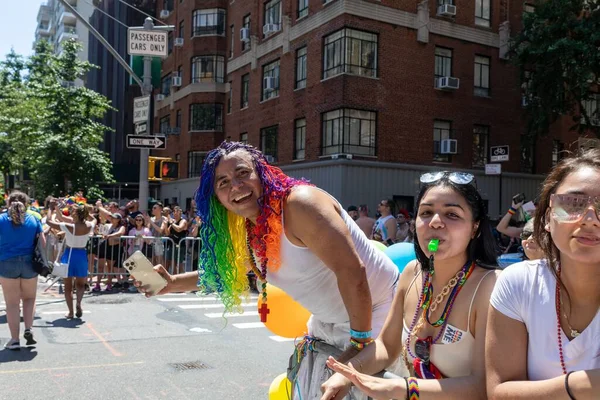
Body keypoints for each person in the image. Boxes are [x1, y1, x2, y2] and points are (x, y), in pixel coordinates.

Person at [135, 141, 399, 399]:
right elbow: (224, 273)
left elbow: (352, 272)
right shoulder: (251, 229)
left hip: (377, 316)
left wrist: (359, 345)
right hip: (327, 325)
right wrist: (171, 283)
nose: (236, 186)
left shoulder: (300, 204)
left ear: (263, 172)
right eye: (223, 182)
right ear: (217, 198)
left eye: (242, 173)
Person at [321, 171, 499, 400]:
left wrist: (402, 389)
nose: (435, 222)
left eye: (451, 214)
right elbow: (386, 346)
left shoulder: (491, 286)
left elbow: (483, 386)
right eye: (426, 212)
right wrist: (349, 373)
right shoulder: (412, 273)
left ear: (474, 227)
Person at [486, 149, 600, 399]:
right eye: (573, 204)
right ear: (548, 218)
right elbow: (500, 392)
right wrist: (583, 384)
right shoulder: (519, 283)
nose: (590, 219)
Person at [0, 191, 45, 350]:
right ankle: (28, 329)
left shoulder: (1, 220)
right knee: (29, 298)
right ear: (26, 203)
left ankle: (14, 340)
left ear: (8, 202)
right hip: (29, 263)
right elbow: (43, 243)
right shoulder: (33, 219)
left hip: (6, 263)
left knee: (12, 304)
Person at [46, 202, 95, 319]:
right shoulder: (89, 225)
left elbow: (48, 222)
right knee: (80, 284)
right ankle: (78, 303)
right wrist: (84, 210)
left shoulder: (69, 226)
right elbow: (93, 218)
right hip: (81, 254)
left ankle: (71, 312)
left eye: (74, 213)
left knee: (68, 287)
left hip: (69, 254)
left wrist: (50, 208)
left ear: (77, 215)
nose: (72, 214)